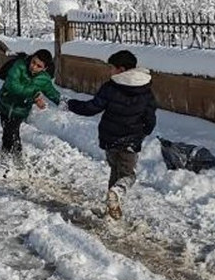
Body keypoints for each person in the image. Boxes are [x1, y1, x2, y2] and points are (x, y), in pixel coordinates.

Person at [66, 50, 156, 220]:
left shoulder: (110, 87)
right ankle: (116, 193)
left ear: (121, 69)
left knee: (115, 172)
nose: (110, 71)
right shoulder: (146, 90)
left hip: (110, 139)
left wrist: (71, 104)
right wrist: (144, 132)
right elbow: (150, 118)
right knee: (128, 176)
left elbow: (92, 108)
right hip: (131, 141)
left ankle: (112, 207)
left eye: (111, 68)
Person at [0, 49, 61, 158]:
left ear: (45, 68)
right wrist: (34, 96)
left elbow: (52, 92)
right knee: (8, 131)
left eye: (39, 66)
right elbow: (13, 86)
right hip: (6, 104)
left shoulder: (43, 78)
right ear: (32, 57)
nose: (34, 67)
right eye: (33, 62)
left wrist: (67, 103)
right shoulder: (19, 66)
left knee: (12, 132)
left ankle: (12, 156)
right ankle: (9, 156)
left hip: (21, 109)